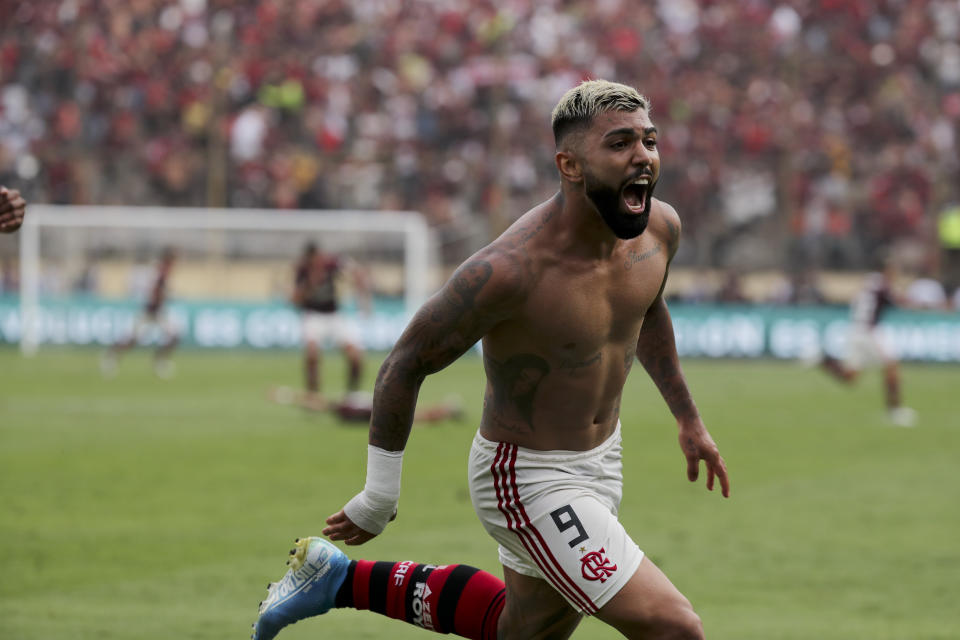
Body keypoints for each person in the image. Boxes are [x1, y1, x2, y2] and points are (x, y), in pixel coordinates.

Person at [253, 80, 730, 640]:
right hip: (525, 475)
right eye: (621, 143)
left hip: (603, 458)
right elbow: (403, 363)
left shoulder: (659, 230)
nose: (643, 157)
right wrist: (378, 494)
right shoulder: (510, 271)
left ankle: (337, 580)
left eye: (649, 140)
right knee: (675, 628)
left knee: (519, 630)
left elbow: (647, 310)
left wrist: (688, 418)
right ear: (570, 165)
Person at [813, 256, 918, 427]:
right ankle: (896, 410)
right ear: (887, 269)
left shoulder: (870, 282)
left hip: (855, 330)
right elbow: (897, 302)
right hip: (869, 331)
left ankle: (824, 360)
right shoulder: (882, 284)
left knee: (850, 377)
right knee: (891, 366)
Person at [292, 241, 367, 410]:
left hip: (334, 316)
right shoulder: (302, 271)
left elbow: (356, 271)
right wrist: (310, 285)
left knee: (355, 356)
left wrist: (360, 286)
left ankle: (351, 394)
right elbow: (295, 299)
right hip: (313, 316)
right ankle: (313, 396)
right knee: (311, 354)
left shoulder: (332, 264)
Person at [100, 247, 179, 378]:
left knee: (173, 336)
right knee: (133, 339)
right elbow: (155, 291)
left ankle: (159, 362)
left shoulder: (162, 271)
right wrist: (162, 298)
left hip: (157, 311)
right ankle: (111, 356)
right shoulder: (161, 271)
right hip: (151, 310)